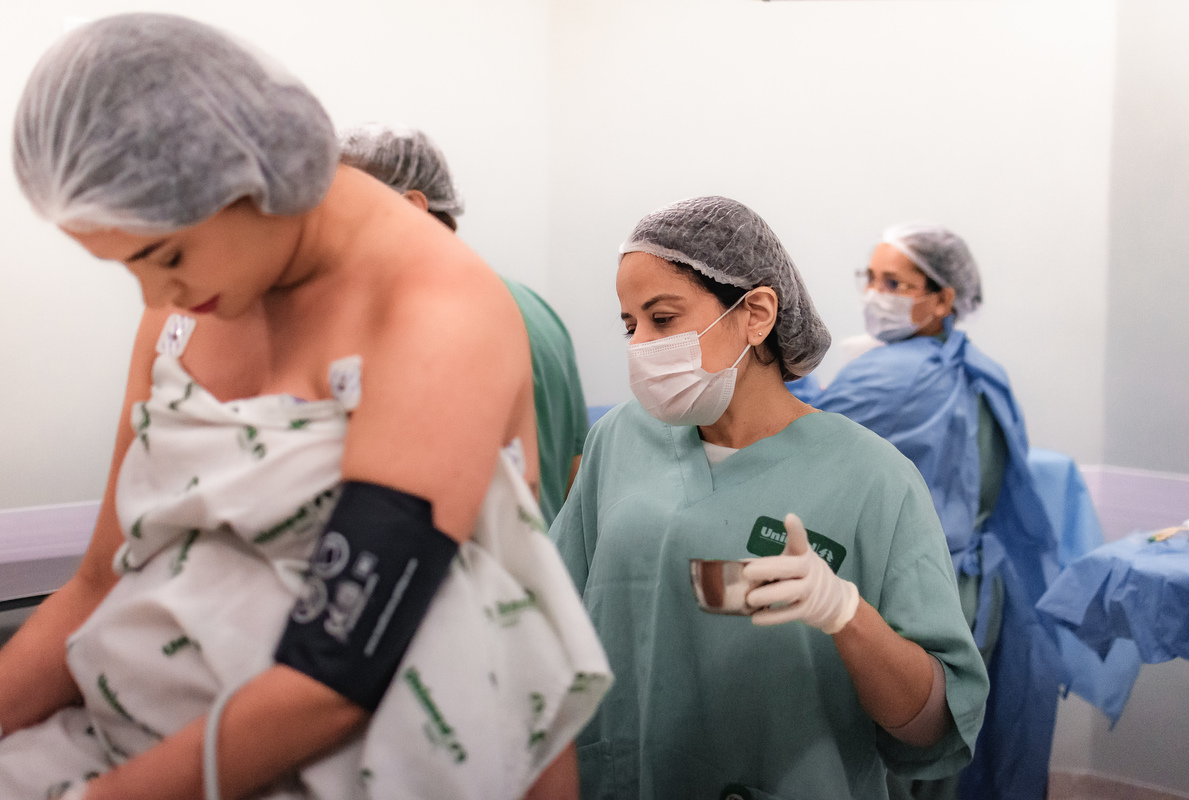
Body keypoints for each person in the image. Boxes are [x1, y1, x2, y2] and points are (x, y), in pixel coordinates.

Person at [0, 13, 609, 800]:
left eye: (167, 256)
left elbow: (336, 671)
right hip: (139, 732)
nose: (155, 297)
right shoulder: (190, 311)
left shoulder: (434, 311)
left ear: (247, 172)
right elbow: (98, 583)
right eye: (129, 269)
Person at [550, 197, 989, 800]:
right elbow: (550, 623)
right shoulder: (619, 441)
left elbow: (933, 722)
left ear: (755, 313)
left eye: (663, 318)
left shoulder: (874, 479)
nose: (642, 345)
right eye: (631, 325)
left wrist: (845, 615)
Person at [811, 224, 1062, 800]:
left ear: (945, 297)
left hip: (916, 592)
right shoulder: (980, 370)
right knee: (945, 758)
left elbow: (801, 436)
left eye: (893, 282)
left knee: (897, 760)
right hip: (978, 594)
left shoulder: (891, 376)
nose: (875, 294)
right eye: (870, 278)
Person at [338, 124, 589, 525]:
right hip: (543, 571)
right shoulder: (537, 309)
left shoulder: (428, 319)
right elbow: (576, 471)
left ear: (411, 208)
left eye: (343, 209)